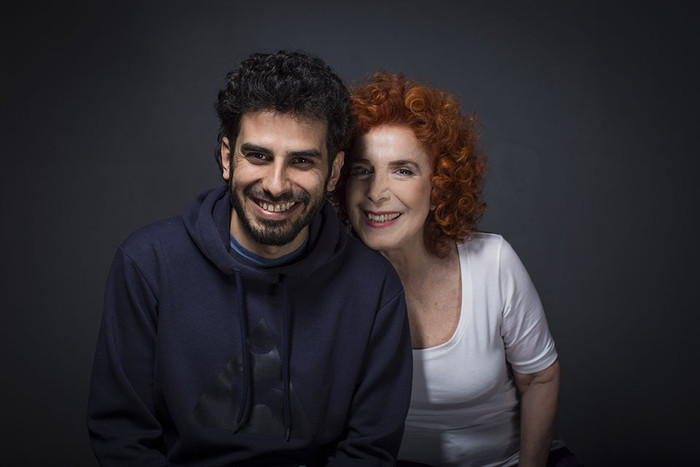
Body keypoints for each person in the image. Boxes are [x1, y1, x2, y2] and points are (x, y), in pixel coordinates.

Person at [87, 51, 413, 466]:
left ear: (333, 173)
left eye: (301, 161)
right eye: (258, 156)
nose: (276, 185)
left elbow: (368, 451)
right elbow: (122, 437)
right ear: (228, 158)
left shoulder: (374, 287)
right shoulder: (148, 264)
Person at [332, 71, 581, 467]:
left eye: (403, 170)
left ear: (438, 186)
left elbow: (539, 378)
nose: (376, 192)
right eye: (362, 170)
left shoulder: (492, 262)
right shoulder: (325, 279)